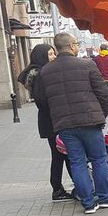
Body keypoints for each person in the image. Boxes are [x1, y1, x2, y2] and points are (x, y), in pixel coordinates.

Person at [32, 33, 108, 213]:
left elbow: (42, 100)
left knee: (77, 162)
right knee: (98, 159)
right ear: (70, 46)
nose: (77, 46)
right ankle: (105, 196)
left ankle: (88, 203)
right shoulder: (86, 64)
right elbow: (103, 92)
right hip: (90, 120)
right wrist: (101, 112)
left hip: (64, 124)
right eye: (76, 43)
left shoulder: (46, 71)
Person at [19, 43, 73, 202]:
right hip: (52, 121)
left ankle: (64, 187)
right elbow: (44, 100)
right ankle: (57, 189)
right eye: (50, 54)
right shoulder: (40, 75)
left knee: (62, 155)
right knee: (61, 155)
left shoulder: (36, 73)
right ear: (42, 57)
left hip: (50, 120)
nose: (54, 57)